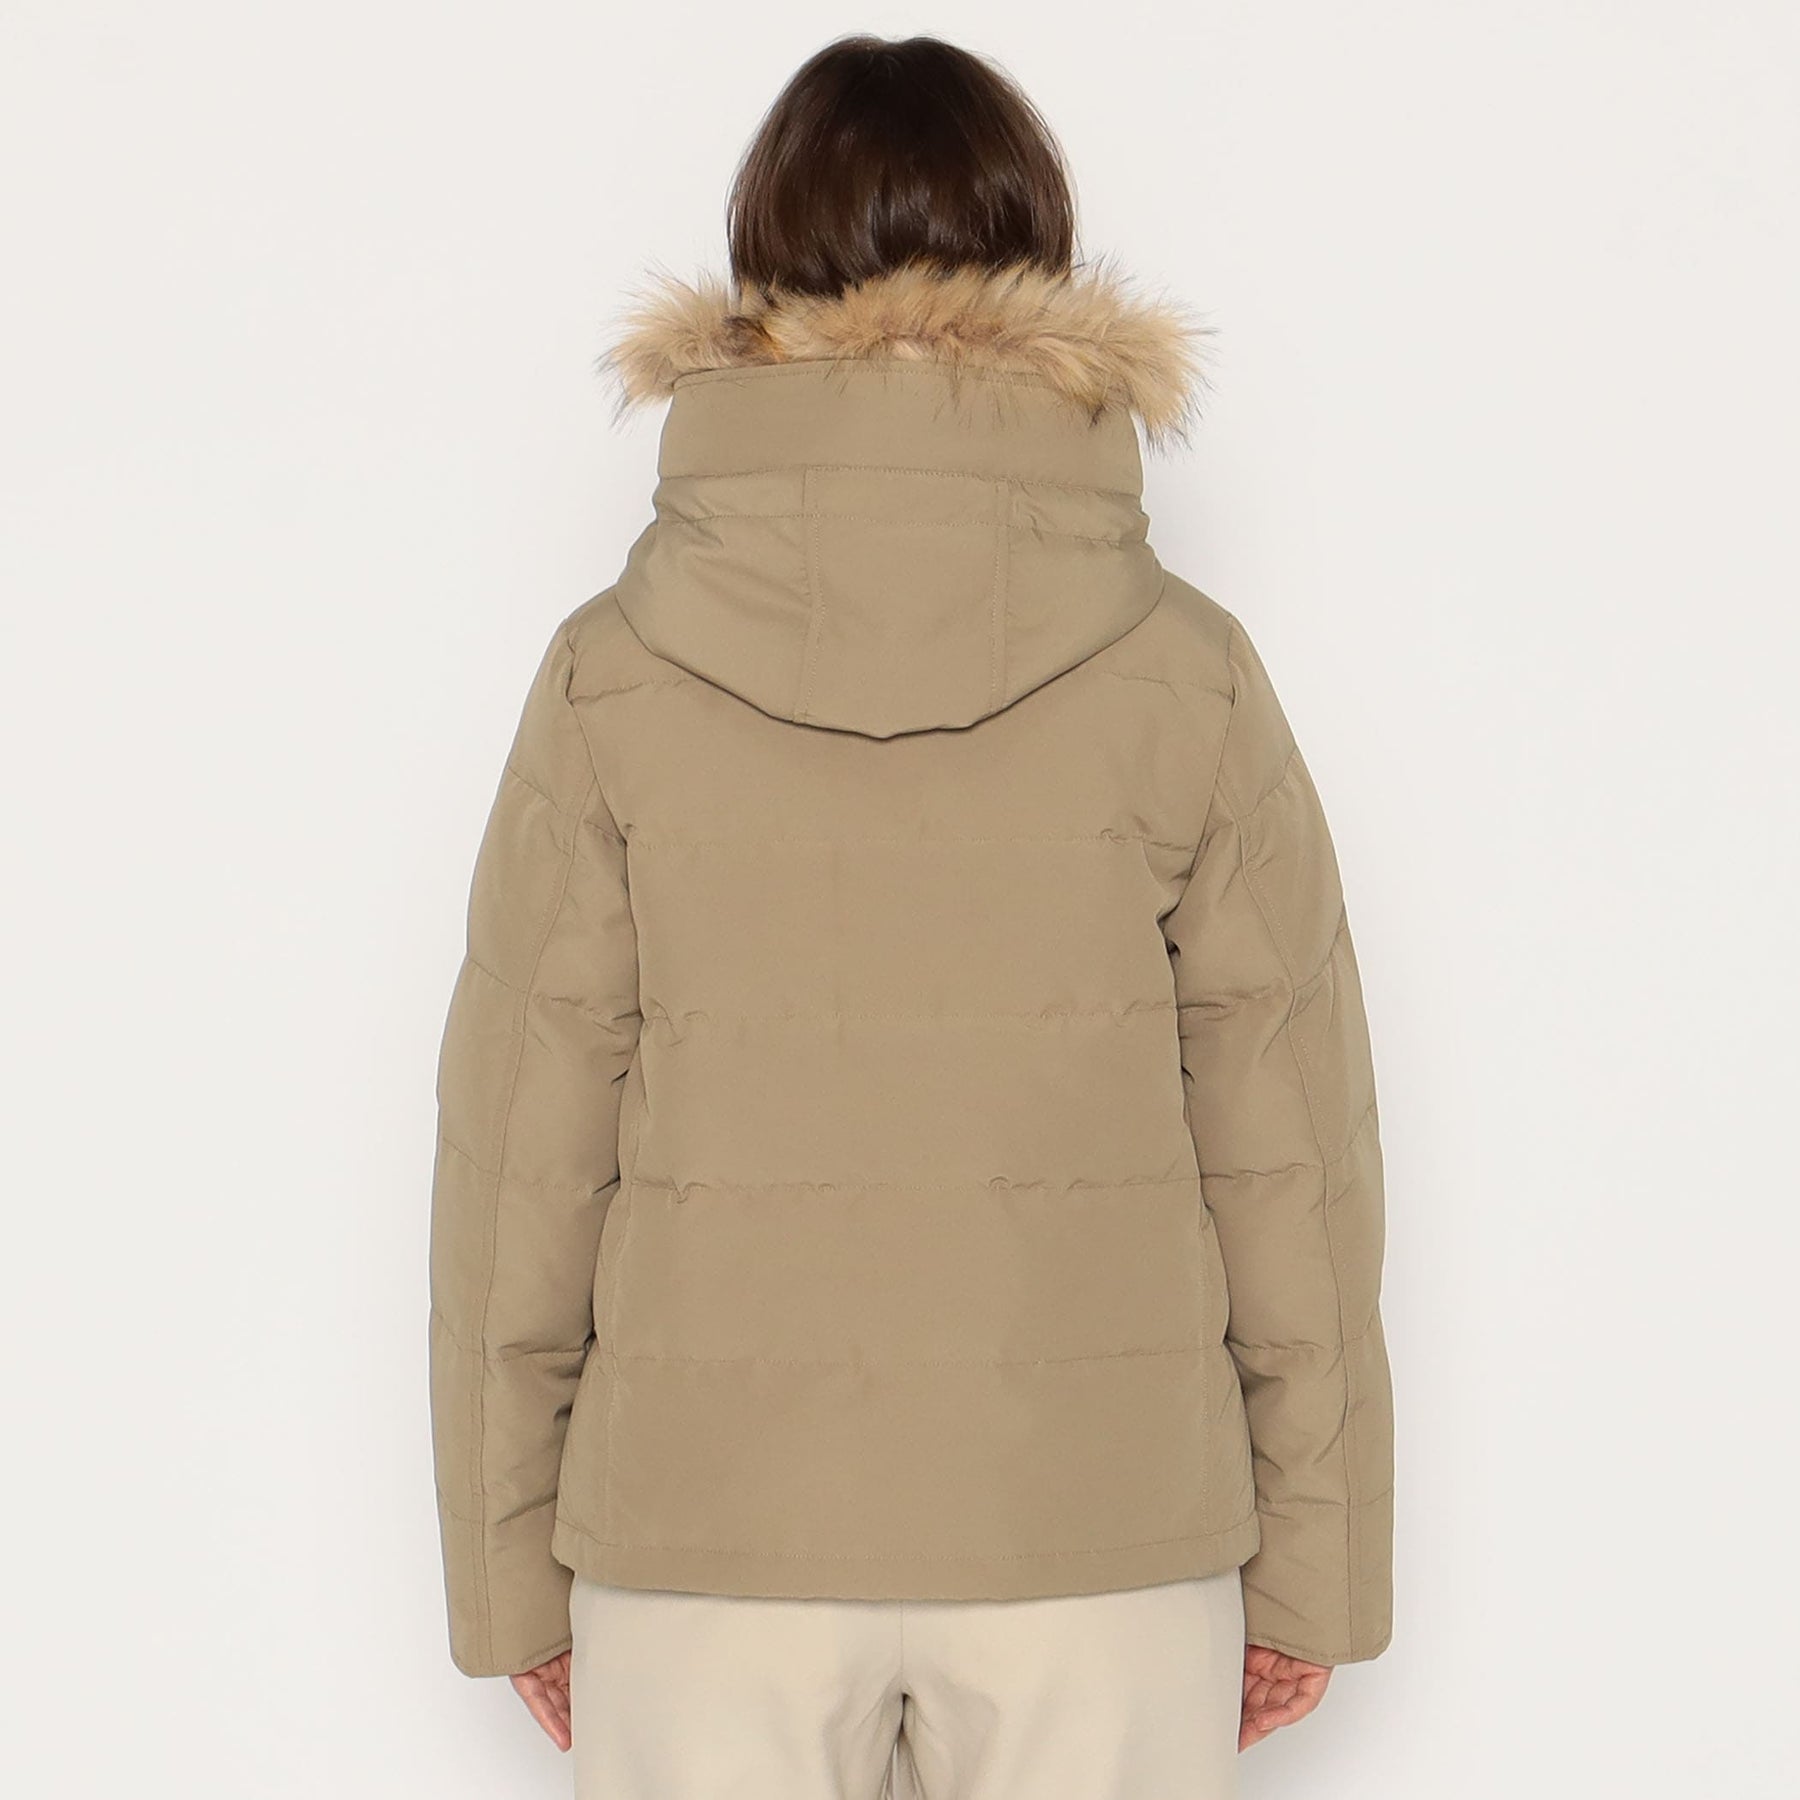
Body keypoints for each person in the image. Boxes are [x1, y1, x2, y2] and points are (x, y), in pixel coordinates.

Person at [426, 32, 1394, 1799]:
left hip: (706, 1541)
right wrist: (1317, 1566)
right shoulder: (1188, 677)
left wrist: (507, 1577)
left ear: (761, 270)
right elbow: (1290, 1163)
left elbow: (522, 1169)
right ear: (1041, 261)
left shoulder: (610, 679)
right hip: (1095, 1532)